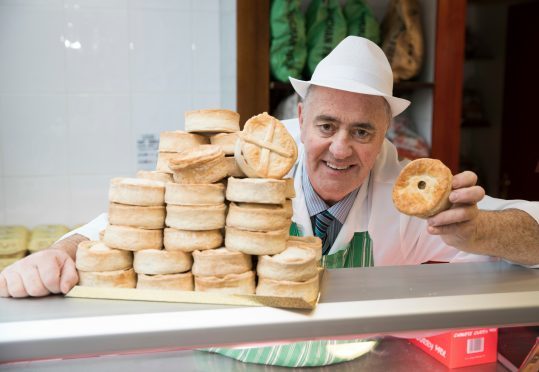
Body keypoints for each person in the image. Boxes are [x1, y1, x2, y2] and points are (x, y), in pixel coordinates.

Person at [1, 36, 538, 366]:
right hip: (236, 354)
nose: (342, 149)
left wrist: (481, 232)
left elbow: (532, 234)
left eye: (363, 132)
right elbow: (124, 226)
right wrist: (59, 253)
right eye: (326, 125)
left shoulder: (407, 189)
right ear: (300, 117)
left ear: (386, 134)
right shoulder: (246, 159)